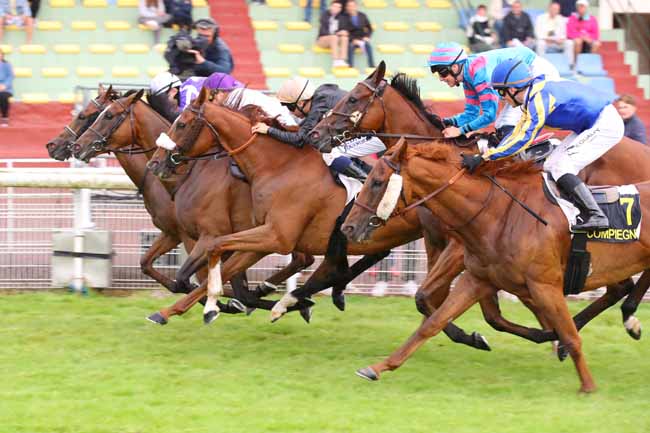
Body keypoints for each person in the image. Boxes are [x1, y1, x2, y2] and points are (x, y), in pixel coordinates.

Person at [462, 58, 623, 231]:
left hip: (604, 124)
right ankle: (573, 211)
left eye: (501, 93)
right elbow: (517, 134)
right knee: (551, 164)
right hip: (589, 124)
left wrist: (485, 157)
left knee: (562, 166)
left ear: (513, 89)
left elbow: (522, 140)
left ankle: (596, 216)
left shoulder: (538, 101)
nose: (502, 99)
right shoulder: (531, 98)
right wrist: (486, 155)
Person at [250, 77, 384, 181]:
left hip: (376, 133)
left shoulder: (319, 105)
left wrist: (268, 130)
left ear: (301, 103)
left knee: (331, 154)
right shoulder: (321, 97)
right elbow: (302, 132)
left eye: (289, 107)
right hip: (368, 130)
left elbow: (299, 139)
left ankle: (368, 184)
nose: (290, 112)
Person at [427, 42, 560, 138]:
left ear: (455, 67)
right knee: (501, 126)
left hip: (537, 72)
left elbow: (489, 115)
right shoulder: (468, 76)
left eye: (442, 73)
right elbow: (471, 114)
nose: (441, 78)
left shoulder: (480, 74)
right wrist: (446, 122)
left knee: (505, 125)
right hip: (519, 79)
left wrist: (460, 131)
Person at [164, 18, 234, 80]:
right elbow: (169, 57)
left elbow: (225, 71)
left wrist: (203, 62)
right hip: (190, 75)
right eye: (200, 35)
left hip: (211, 81)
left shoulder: (221, 49)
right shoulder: (192, 42)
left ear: (214, 35)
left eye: (207, 36)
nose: (203, 39)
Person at [179, 72, 243, 110]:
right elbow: (184, 116)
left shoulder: (232, 91)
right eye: (228, 92)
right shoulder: (191, 91)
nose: (231, 95)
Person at [317, 1, 349, 68]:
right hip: (322, 39)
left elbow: (342, 29)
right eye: (335, 6)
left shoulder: (341, 17)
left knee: (344, 38)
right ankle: (335, 60)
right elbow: (324, 31)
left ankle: (342, 60)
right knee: (334, 37)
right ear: (331, 7)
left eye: (339, 7)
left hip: (335, 39)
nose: (337, 8)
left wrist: (343, 32)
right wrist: (337, 33)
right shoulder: (324, 15)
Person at [344, 0, 374, 68]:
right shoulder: (344, 17)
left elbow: (369, 28)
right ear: (347, 7)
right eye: (349, 6)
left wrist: (367, 37)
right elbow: (344, 31)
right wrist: (352, 40)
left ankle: (372, 66)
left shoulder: (362, 15)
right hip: (351, 39)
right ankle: (350, 66)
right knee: (350, 46)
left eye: (353, 6)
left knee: (368, 45)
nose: (351, 8)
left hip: (361, 38)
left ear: (356, 6)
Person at [0, 49, 12, 127]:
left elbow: (10, 76)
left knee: (3, 96)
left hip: (5, 88)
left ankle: (5, 117)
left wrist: (4, 85)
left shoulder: (7, 64)